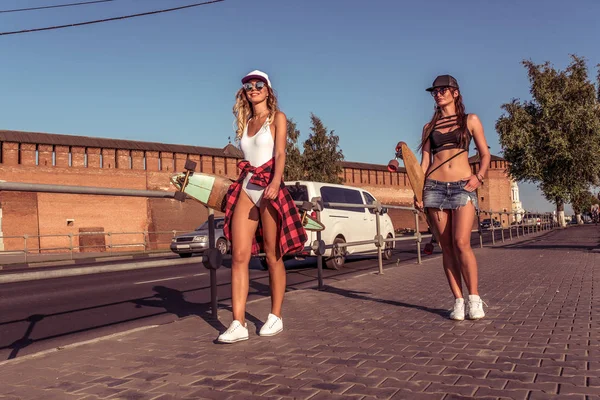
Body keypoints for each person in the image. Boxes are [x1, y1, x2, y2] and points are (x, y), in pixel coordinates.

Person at [218, 70, 308, 343]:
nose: (253, 89)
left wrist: (276, 181)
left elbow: (280, 152)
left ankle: (276, 315)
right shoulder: (245, 121)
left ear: (268, 90)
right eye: (248, 85)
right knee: (239, 256)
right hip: (247, 186)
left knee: (273, 255)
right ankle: (238, 322)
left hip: (269, 186)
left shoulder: (276, 118)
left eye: (259, 85)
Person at [410, 74, 490, 321]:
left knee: (461, 243)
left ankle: (474, 299)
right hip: (434, 187)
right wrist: (417, 191)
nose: (438, 94)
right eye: (435, 91)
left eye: (443, 89)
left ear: (455, 92)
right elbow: (424, 163)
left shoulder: (470, 120)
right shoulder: (428, 127)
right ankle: (457, 300)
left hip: (463, 187)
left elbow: (485, 154)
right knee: (446, 247)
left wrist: (479, 178)